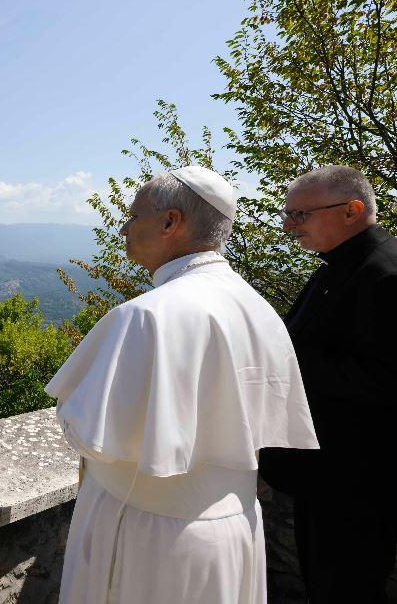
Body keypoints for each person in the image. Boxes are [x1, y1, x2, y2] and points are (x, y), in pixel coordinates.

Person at [48, 166, 320, 604]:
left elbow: (88, 435)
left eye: (133, 216)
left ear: (170, 222)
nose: (124, 228)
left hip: (147, 540)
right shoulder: (258, 308)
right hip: (235, 529)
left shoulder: (145, 316)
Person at [259, 165, 397, 603]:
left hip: (361, 487)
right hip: (334, 478)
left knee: (346, 590)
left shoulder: (391, 275)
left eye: (300, 215)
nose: (288, 226)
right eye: (287, 214)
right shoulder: (348, 260)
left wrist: (287, 359)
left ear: (352, 210)